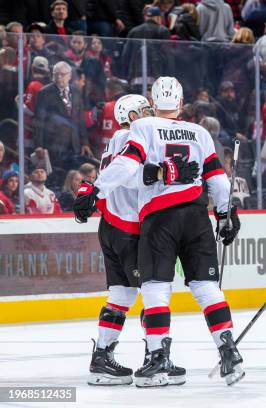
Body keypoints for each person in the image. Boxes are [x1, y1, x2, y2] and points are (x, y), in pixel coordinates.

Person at [90, 77, 245, 387]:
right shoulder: (199, 132)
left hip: (159, 218)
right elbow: (218, 180)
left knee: (156, 288)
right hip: (197, 214)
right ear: (181, 100)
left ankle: (157, 357)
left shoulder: (142, 129)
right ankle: (229, 351)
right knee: (206, 287)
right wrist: (226, 213)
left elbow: (126, 168)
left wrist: (95, 188)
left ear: (154, 100)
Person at [74, 93, 200, 386]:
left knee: (122, 294)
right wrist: (162, 172)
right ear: (131, 116)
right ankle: (155, 358)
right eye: (144, 110)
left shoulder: (117, 138)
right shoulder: (131, 136)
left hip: (112, 225)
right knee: (156, 289)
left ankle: (102, 357)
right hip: (130, 228)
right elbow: (129, 175)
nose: (151, 113)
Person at [34, 61, 92, 171]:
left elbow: (80, 119)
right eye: (56, 74)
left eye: (62, 74)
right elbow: (39, 120)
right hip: (54, 144)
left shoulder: (76, 92)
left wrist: (85, 142)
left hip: (75, 144)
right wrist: (39, 145)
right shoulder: (44, 92)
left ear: (69, 76)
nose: (59, 77)